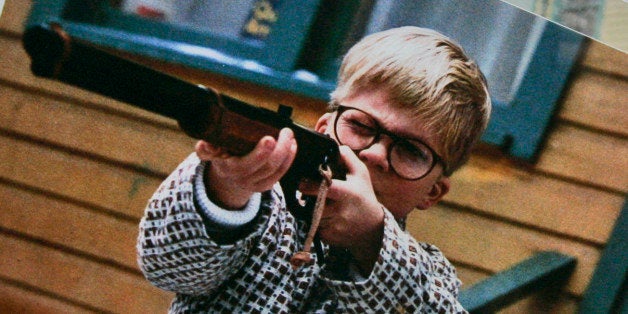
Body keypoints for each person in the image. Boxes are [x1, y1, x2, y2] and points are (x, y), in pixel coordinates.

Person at [137, 26, 491, 313]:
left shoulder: (428, 276)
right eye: (362, 127)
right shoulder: (257, 200)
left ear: (432, 192)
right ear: (324, 128)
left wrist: (371, 239)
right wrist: (226, 191)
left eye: (412, 151)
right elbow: (166, 268)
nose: (375, 155)